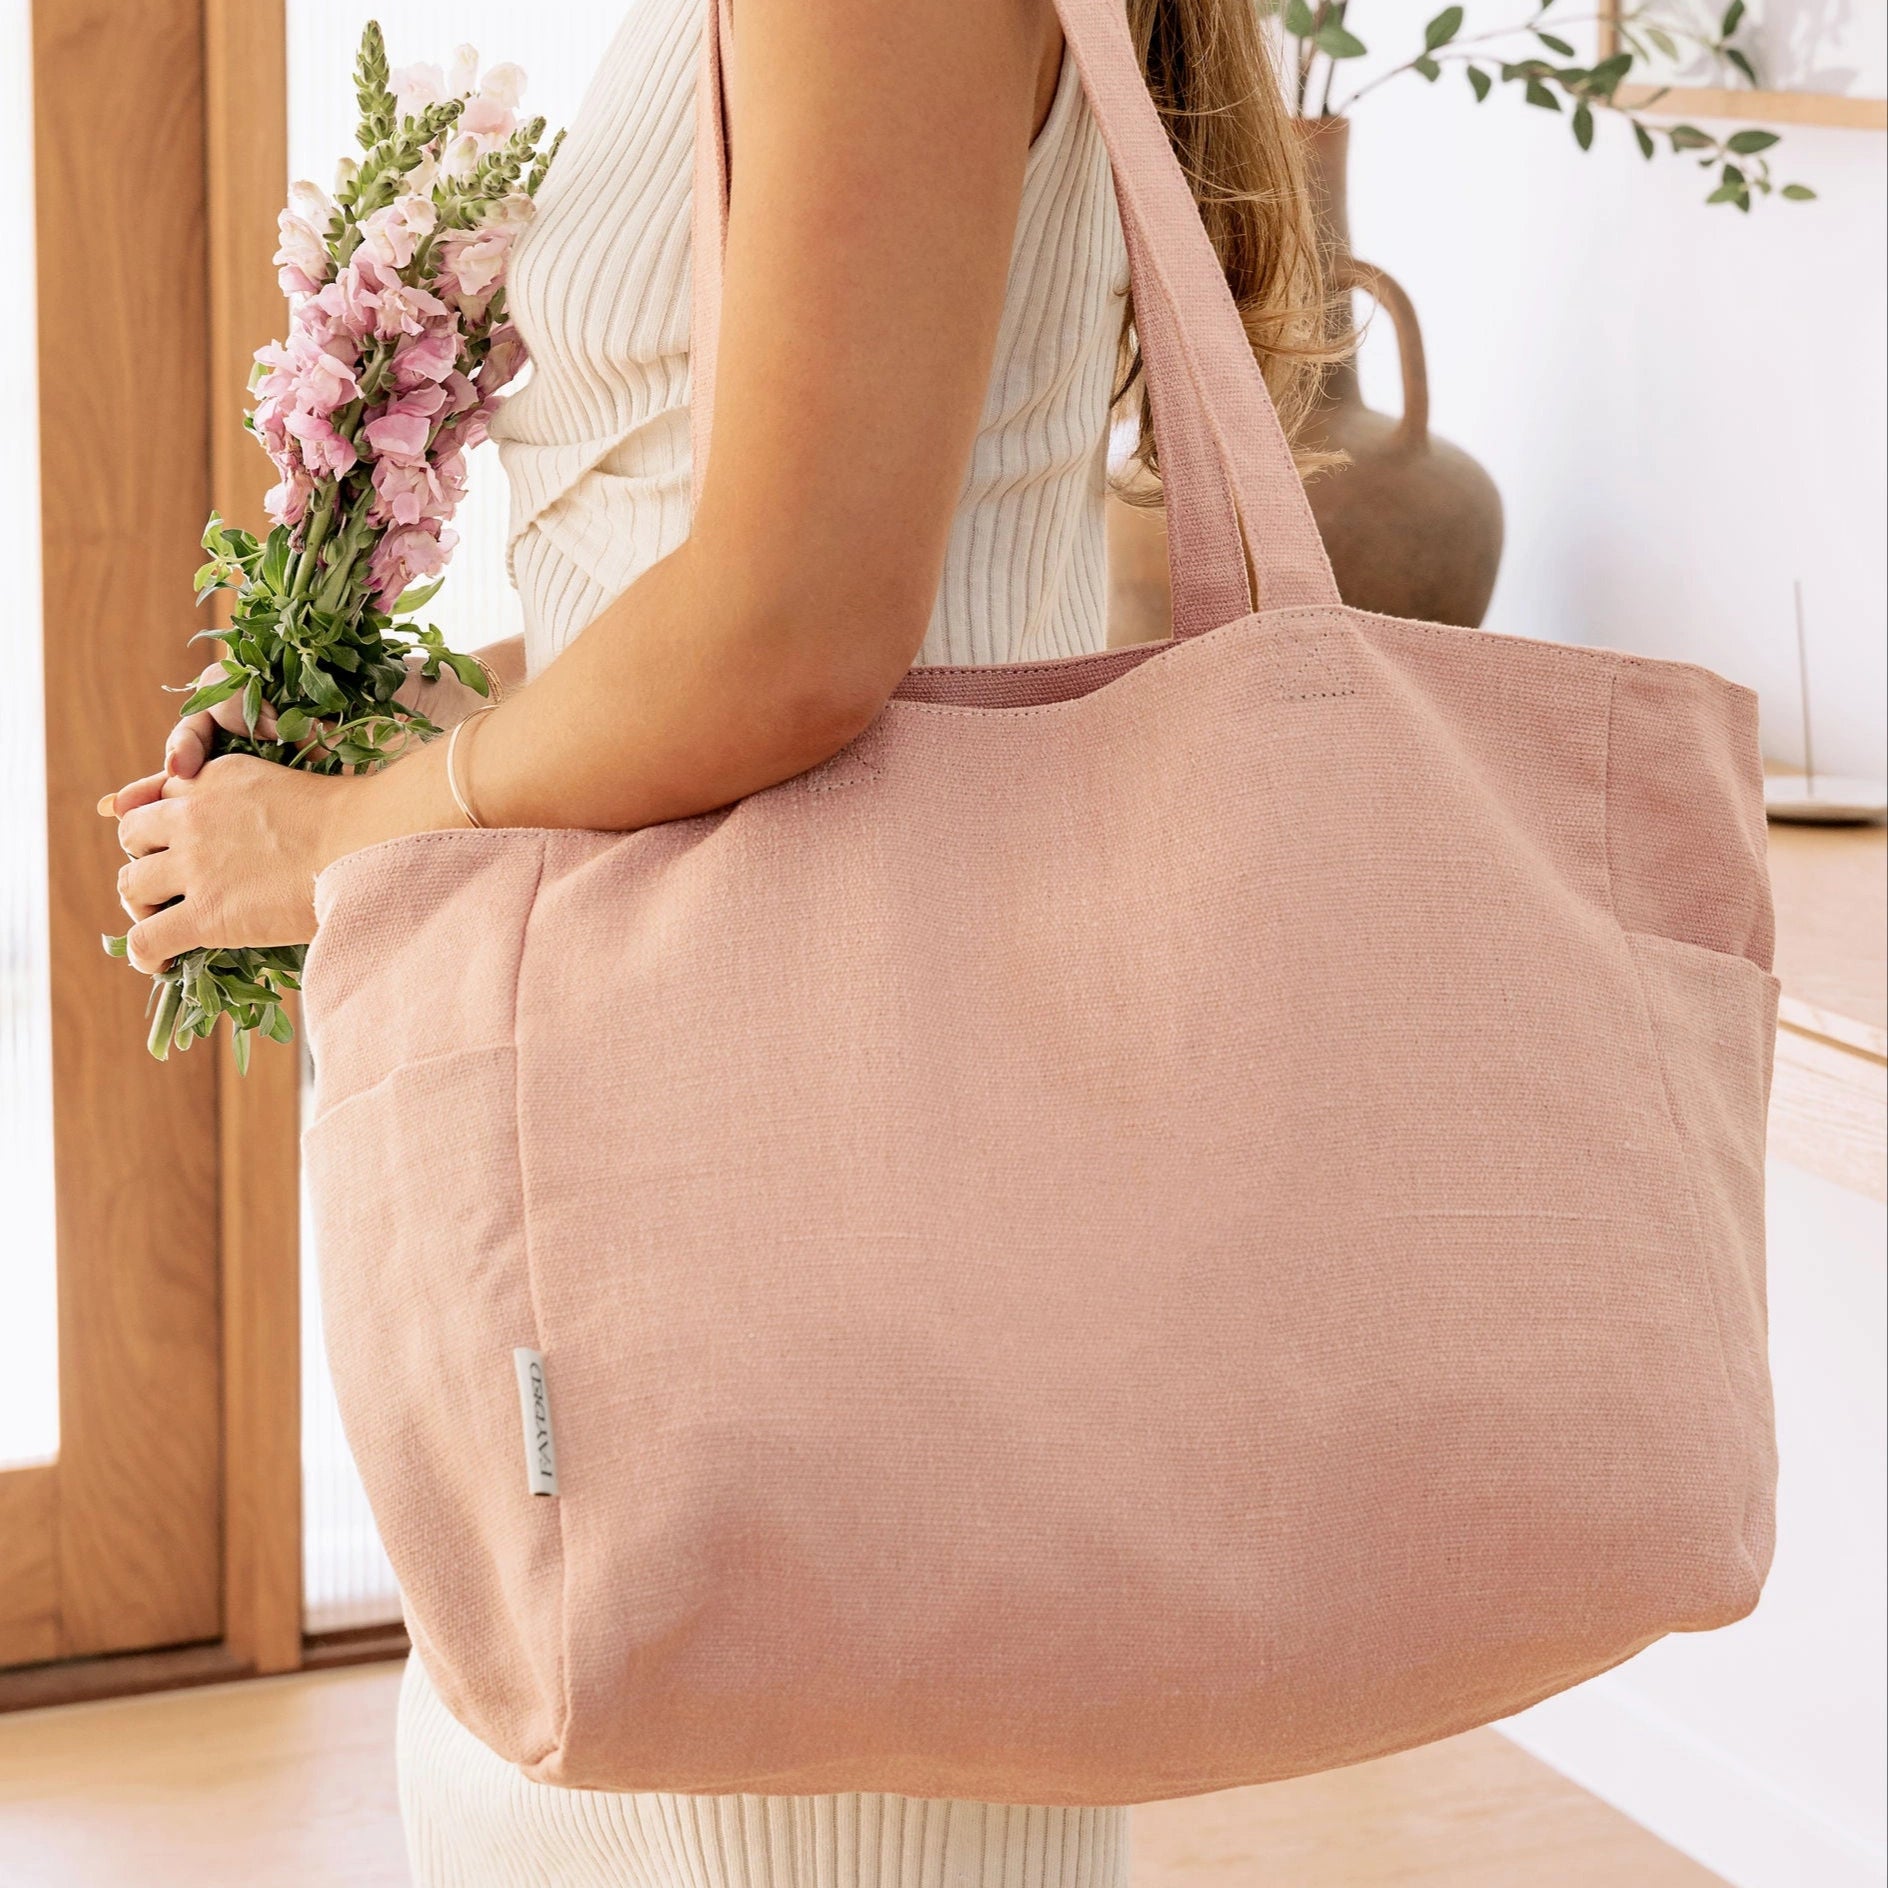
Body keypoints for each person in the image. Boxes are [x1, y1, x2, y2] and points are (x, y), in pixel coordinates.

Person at [103, 0, 1328, 1879]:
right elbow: (706, 563)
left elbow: (799, 631)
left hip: (813, 1178)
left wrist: (335, 838)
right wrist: (399, 732)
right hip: (706, 1159)